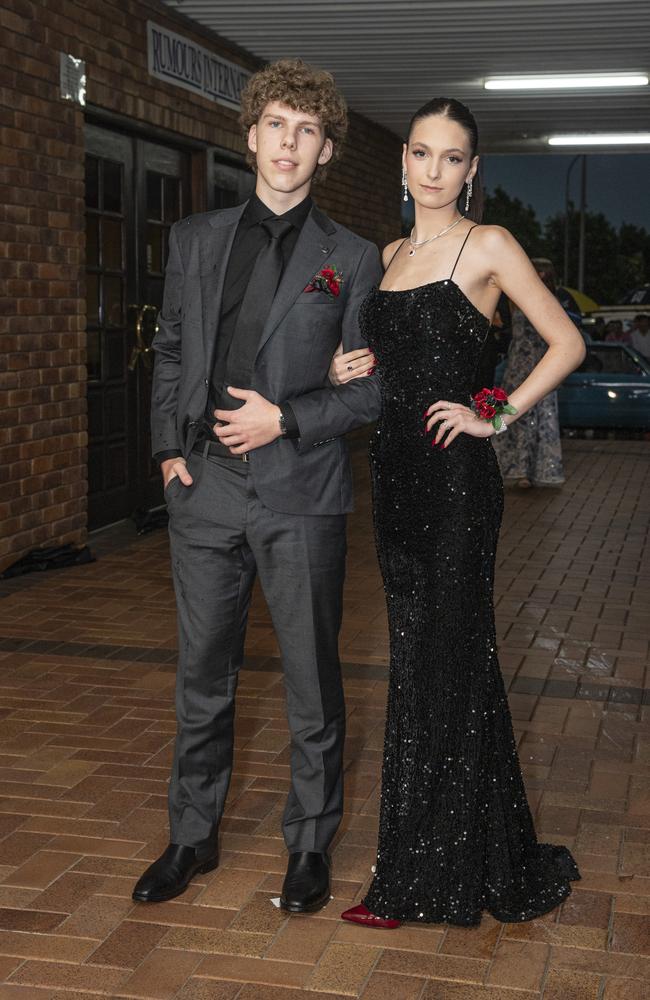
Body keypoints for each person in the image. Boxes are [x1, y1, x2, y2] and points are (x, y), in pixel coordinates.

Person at [132, 58, 382, 913]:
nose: (289, 143)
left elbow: (370, 389)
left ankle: (309, 844)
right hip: (204, 487)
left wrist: (292, 417)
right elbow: (170, 349)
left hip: (301, 491)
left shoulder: (349, 258)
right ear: (250, 137)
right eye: (276, 125)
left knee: (311, 676)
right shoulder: (195, 239)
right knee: (203, 676)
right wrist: (170, 452)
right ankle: (191, 836)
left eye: (307, 131)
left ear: (325, 151)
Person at [329, 97, 585, 927]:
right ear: (403, 161)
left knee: (445, 661)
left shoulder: (490, 246)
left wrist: (497, 416)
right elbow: (384, 370)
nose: (433, 170)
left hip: (454, 485)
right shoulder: (388, 253)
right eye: (420, 153)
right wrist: (345, 368)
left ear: (472, 170)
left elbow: (567, 342)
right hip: (395, 478)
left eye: (451, 157)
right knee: (429, 667)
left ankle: (417, 880)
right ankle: (473, 854)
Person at [491, 258, 565, 489]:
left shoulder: (549, 300)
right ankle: (518, 469)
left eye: (540, 271)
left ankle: (531, 471)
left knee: (537, 419)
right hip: (516, 366)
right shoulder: (516, 296)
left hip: (539, 365)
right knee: (516, 416)